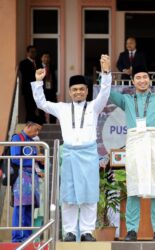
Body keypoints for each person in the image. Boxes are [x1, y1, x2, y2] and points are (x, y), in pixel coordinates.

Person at [31, 55, 112, 242]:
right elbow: (41, 104)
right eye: (74, 89)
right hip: (69, 155)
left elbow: (105, 93)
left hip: (89, 155)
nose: (78, 92)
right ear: (69, 91)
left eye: (81, 89)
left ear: (87, 91)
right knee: (68, 195)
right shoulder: (62, 108)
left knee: (89, 195)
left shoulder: (94, 106)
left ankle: (86, 231)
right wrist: (38, 82)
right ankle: (69, 231)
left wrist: (106, 73)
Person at [109, 53, 155, 242]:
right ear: (133, 81)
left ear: (150, 80)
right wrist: (104, 72)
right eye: (138, 78)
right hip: (134, 141)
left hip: (153, 141)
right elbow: (107, 93)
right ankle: (132, 230)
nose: (142, 80)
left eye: (145, 77)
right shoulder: (126, 100)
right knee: (134, 186)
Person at [10, 119, 44, 242]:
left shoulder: (32, 141)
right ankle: (17, 238)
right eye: (36, 129)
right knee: (20, 208)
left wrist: (41, 163)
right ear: (29, 126)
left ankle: (28, 237)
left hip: (32, 177)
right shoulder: (17, 138)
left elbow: (36, 161)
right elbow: (14, 158)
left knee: (30, 208)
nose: (37, 133)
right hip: (22, 176)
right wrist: (34, 158)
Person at [19, 45, 45, 123]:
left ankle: (40, 123)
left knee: (40, 107)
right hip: (28, 90)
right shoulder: (23, 63)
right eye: (32, 52)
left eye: (35, 52)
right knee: (30, 108)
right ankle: (30, 124)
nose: (34, 53)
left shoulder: (38, 63)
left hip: (38, 89)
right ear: (27, 53)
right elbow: (26, 75)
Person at [38, 51, 58, 123]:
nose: (46, 59)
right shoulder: (38, 67)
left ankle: (52, 123)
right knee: (41, 108)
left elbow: (55, 78)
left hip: (51, 91)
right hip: (42, 91)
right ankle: (43, 123)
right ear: (41, 58)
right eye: (44, 57)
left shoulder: (53, 67)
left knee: (52, 107)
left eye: (48, 57)